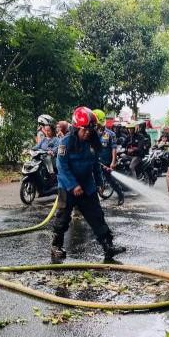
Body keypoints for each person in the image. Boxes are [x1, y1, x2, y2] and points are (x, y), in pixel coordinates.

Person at [51, 107, 127, 263]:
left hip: (87, 186)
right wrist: (73, 185)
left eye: (90, 129)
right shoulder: (65, 143)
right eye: (84, 129)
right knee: (63, 218)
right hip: (67, 187)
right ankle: (56, 246)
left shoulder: (93, 142)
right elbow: (62, 167)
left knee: (97, 216)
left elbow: (95, 165)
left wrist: (99, 183)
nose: (87, 132)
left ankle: (108, 247)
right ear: (76, 127)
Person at [94, 109, 125, 206]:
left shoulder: (111, 134)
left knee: (110, 181)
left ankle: (120, 195)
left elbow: (114, 148)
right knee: (93, 181)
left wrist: (113, 162)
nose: (97, 126)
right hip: (95, 161)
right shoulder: (93, 134)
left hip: (106, 162)